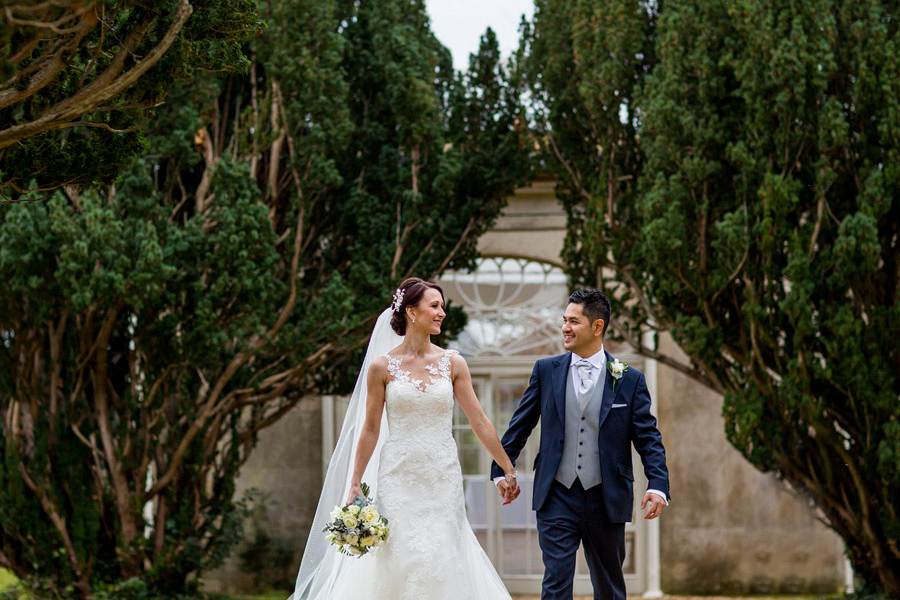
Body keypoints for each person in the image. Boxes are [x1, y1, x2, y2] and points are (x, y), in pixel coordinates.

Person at [290, 277, 520, 600]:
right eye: (435, 306)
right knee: (400, 556)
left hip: (442, 476)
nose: (442, 313)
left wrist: (507, 468)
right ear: (412, 312)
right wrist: (354, 481)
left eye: (442, 306)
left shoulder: (454, 363)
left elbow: (479, 420)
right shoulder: (382, 368)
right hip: (398, 476)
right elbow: (369, 428)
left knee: (441, 555)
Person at [490, 288, 670, 600]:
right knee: (556, 583)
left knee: (609, 586)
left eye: (574, 321)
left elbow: (648, 437)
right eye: (564, 320)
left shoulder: (629, 379)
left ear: (597, 327)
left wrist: (658, 484)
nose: (565, 328)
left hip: (607, 496)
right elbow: (520, 426)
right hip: (556, 493)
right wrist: (501, 469)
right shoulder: (546, 371)